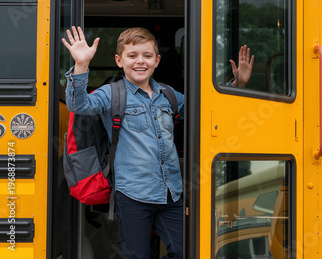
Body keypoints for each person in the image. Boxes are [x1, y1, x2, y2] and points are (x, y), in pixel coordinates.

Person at [62, 26, 253, 258]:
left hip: (170, 192)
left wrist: (237, 85)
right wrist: (81, 65)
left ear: (157, 60)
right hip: (132, 195)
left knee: (187, 251)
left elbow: (208, 113)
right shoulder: (111, 93)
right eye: (132, 56)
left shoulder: (169, 95)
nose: (140, 61)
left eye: (147, 55)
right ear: (119, 61)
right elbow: (78, 105)